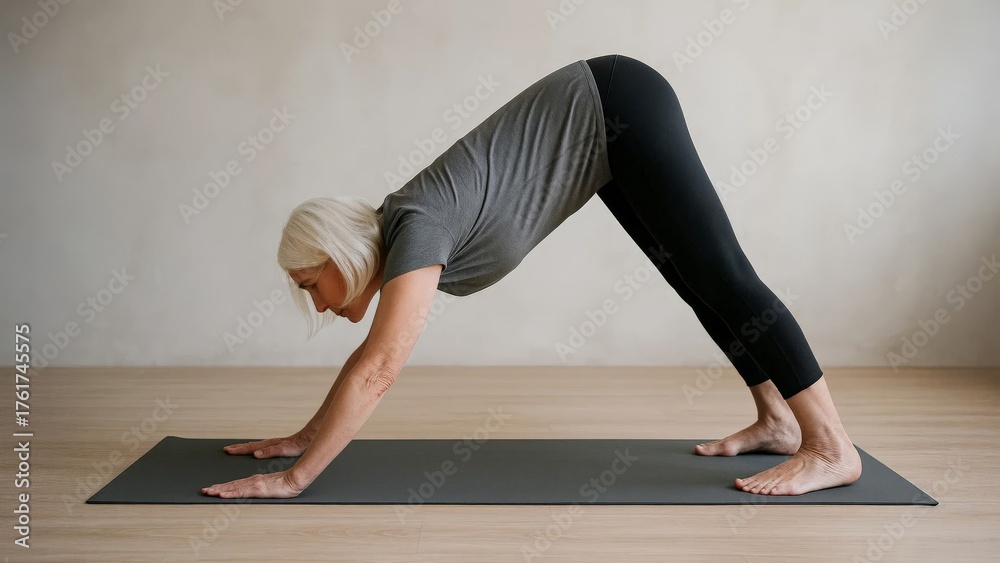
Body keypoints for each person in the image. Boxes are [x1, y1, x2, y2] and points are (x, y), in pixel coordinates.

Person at [201, 54, 862, 500]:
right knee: (694, 279)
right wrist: (302, 436)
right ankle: (779, 419)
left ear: (342, 257)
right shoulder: (406, 228)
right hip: (602, 130)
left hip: (616, 102)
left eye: (310, 280)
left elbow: (378, 366)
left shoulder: (416, 227)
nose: (310, 299)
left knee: (725, 273)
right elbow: (366, 359)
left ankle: (832, 445)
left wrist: (296, 478)